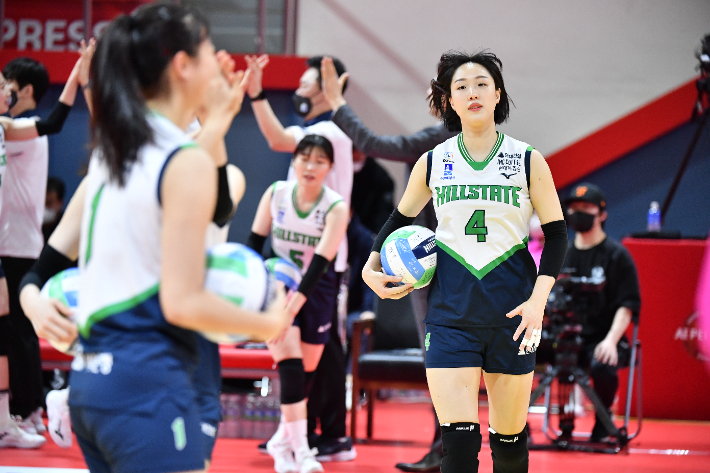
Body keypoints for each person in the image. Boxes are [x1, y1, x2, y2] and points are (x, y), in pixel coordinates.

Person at [19, 5, 289, 472]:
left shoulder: (114, 154)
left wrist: (220, 116)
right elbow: (182, 303)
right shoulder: (179, 162)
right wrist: (265, 324)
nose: (219, 59)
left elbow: (206, 187)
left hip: (93, 385)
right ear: (182, 66)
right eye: (207, 48)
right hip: (148, 384)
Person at [363, 50, 569, 473]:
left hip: (512, 312)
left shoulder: (529, 160)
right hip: (450, 312)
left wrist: (538, 301)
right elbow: (397, 220)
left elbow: (558, 234)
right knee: (456, 447)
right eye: (460, 87)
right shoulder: (434, 161)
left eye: (481, 84)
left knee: (509, 443)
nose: (472, 92)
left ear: (498, 94)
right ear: (448, 102)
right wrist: (371, 266)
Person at [320, 56, 458, 472]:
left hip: (438, 269)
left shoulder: (438, 139)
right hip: (471, 267)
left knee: (442, 363)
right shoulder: (486, 145)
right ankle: (448, 448)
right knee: (454, 364)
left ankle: (447, 450)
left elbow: (373, 142)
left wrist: (336, 103)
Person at [246, 54, 357, 461]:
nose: (300, 90)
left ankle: (329, 434)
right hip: (286, 269)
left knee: (325, 353)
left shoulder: (333, 131)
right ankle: (298, 440)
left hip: (326, 265)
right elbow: (253, 242)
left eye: (309, 82)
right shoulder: (282, 183)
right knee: (296, 354)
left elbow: (278, 138)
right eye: (303, 159)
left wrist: (255, 94)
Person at [0, 53, 85, 434]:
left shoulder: (14, 130)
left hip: (14, 243)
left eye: (7, 85)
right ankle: (25, 409)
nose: (5, 91)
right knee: (17, 330)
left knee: (17, 331)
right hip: (14, 240)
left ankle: (26, 408)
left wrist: (76, 73)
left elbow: (54, 120)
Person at [562, 182, 641, 442]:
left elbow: (627, 305)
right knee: (520, 353)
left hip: (605, 338)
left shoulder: (617, 256)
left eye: (586, 208)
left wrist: (611, 340)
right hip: (567, 337)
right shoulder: (563, 255)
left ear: (602, 214)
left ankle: (603, 419)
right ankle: (527, 426)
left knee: (603, 362)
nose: (578, 213)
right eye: (574, 208)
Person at [42, 176, 66, 242]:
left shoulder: (67, 228)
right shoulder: (31, 228)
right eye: (41, 203)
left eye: (49, 203)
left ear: (60, 203)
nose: (44, 207)